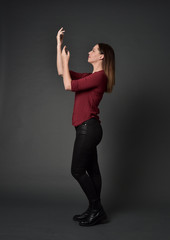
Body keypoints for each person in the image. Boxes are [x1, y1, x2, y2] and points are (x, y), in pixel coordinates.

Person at [56, 27, 115, 226]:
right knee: (93, 171)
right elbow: (61, 73)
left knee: (77, 171)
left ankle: (97, 209)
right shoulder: (89, 77)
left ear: (102, 56)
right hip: (88, 128)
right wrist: (59, 46)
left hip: (88, 128)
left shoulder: (99, 77)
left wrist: (66, 61)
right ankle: (94, 210)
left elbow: (67, 86)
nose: (89, 52)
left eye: (93, 50)